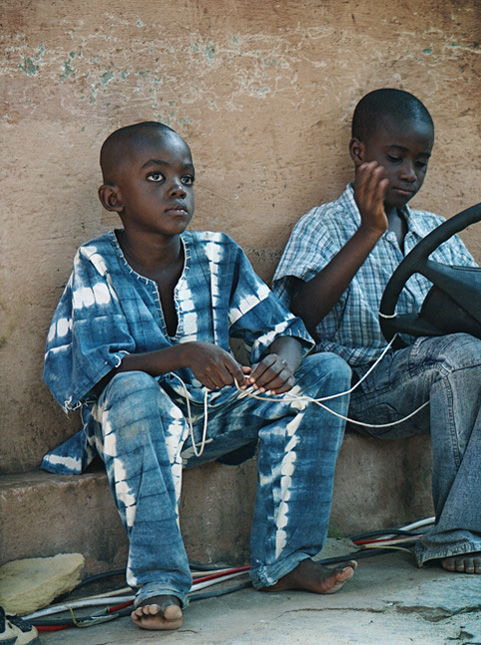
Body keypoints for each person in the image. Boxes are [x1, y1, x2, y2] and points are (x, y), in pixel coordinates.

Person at [40, 122, 356, 631]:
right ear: (112, 197)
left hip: (212, 419)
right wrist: (185, 354)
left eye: (186, 177)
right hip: (133, 429)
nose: (176, 189)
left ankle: (287, 559)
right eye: (156, 177)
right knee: (131, 388)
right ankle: (160, 580)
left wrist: (285, 361)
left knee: (327, 371)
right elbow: (98, 369)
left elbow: (286, 330)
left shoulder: (218, 254)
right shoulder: (96, 261)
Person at [272, 89, 481, 574]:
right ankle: (458, 533)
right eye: (394, 158)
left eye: (421, 162)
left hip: (451, 375)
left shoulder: (433, 229)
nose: (409, 174)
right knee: (462, 352)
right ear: (360, 154)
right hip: (366, 387)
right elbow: (299, 317)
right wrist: (368, 231)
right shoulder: (323, 225)